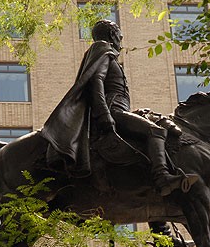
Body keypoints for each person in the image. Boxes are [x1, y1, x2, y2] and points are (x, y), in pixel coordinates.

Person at [40, 19, 197, 196]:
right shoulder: (103, 48)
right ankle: (162, 177)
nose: (121, 43)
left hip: (119, 109)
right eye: (120, 37)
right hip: (113, 109)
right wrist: (104, 114)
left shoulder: (106, 54)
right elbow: (96, 82)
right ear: (113, 35)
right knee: (156, 131)